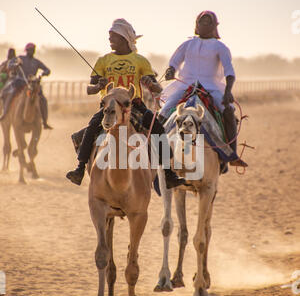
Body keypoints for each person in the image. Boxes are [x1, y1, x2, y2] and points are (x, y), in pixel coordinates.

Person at [66, 18, 186, 188]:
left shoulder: (140, 60)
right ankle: (79, 169)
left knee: (157, 127)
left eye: (112, 36)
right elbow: (89, 89)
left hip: (133, 106)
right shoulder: (103, 61)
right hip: (108, 107)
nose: (109, 39)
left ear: (124, 38)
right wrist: (98, 86)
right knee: (92, 127)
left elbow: (158, 89)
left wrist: (150, 84)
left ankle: (168, 173)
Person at [159, 11, 248, 167]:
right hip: (185, 85)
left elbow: (229, 72)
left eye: (208, 22)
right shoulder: (187, 44)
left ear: (214, 26)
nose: (204, 25)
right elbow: (174, 62)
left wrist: (228, 92)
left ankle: (231, 154)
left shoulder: (220, 47)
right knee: (164, 112)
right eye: (201, 22)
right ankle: (155, 151)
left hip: (211, 87)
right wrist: (170, 70)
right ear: (196, 25)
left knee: (228, 111)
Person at [18, 43, 53, 129]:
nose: (31, 51)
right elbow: (11, 63)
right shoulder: (21, 59)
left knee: (43, 100)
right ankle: (6, 114)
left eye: (33, 50)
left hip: (34, 86)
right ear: (26, 50)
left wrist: (42, 73)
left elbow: (47, 70)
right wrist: (15, 64)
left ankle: (44, 122)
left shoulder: (36, 62)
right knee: (9, 95)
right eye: (30, 50)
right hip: (22, 85)